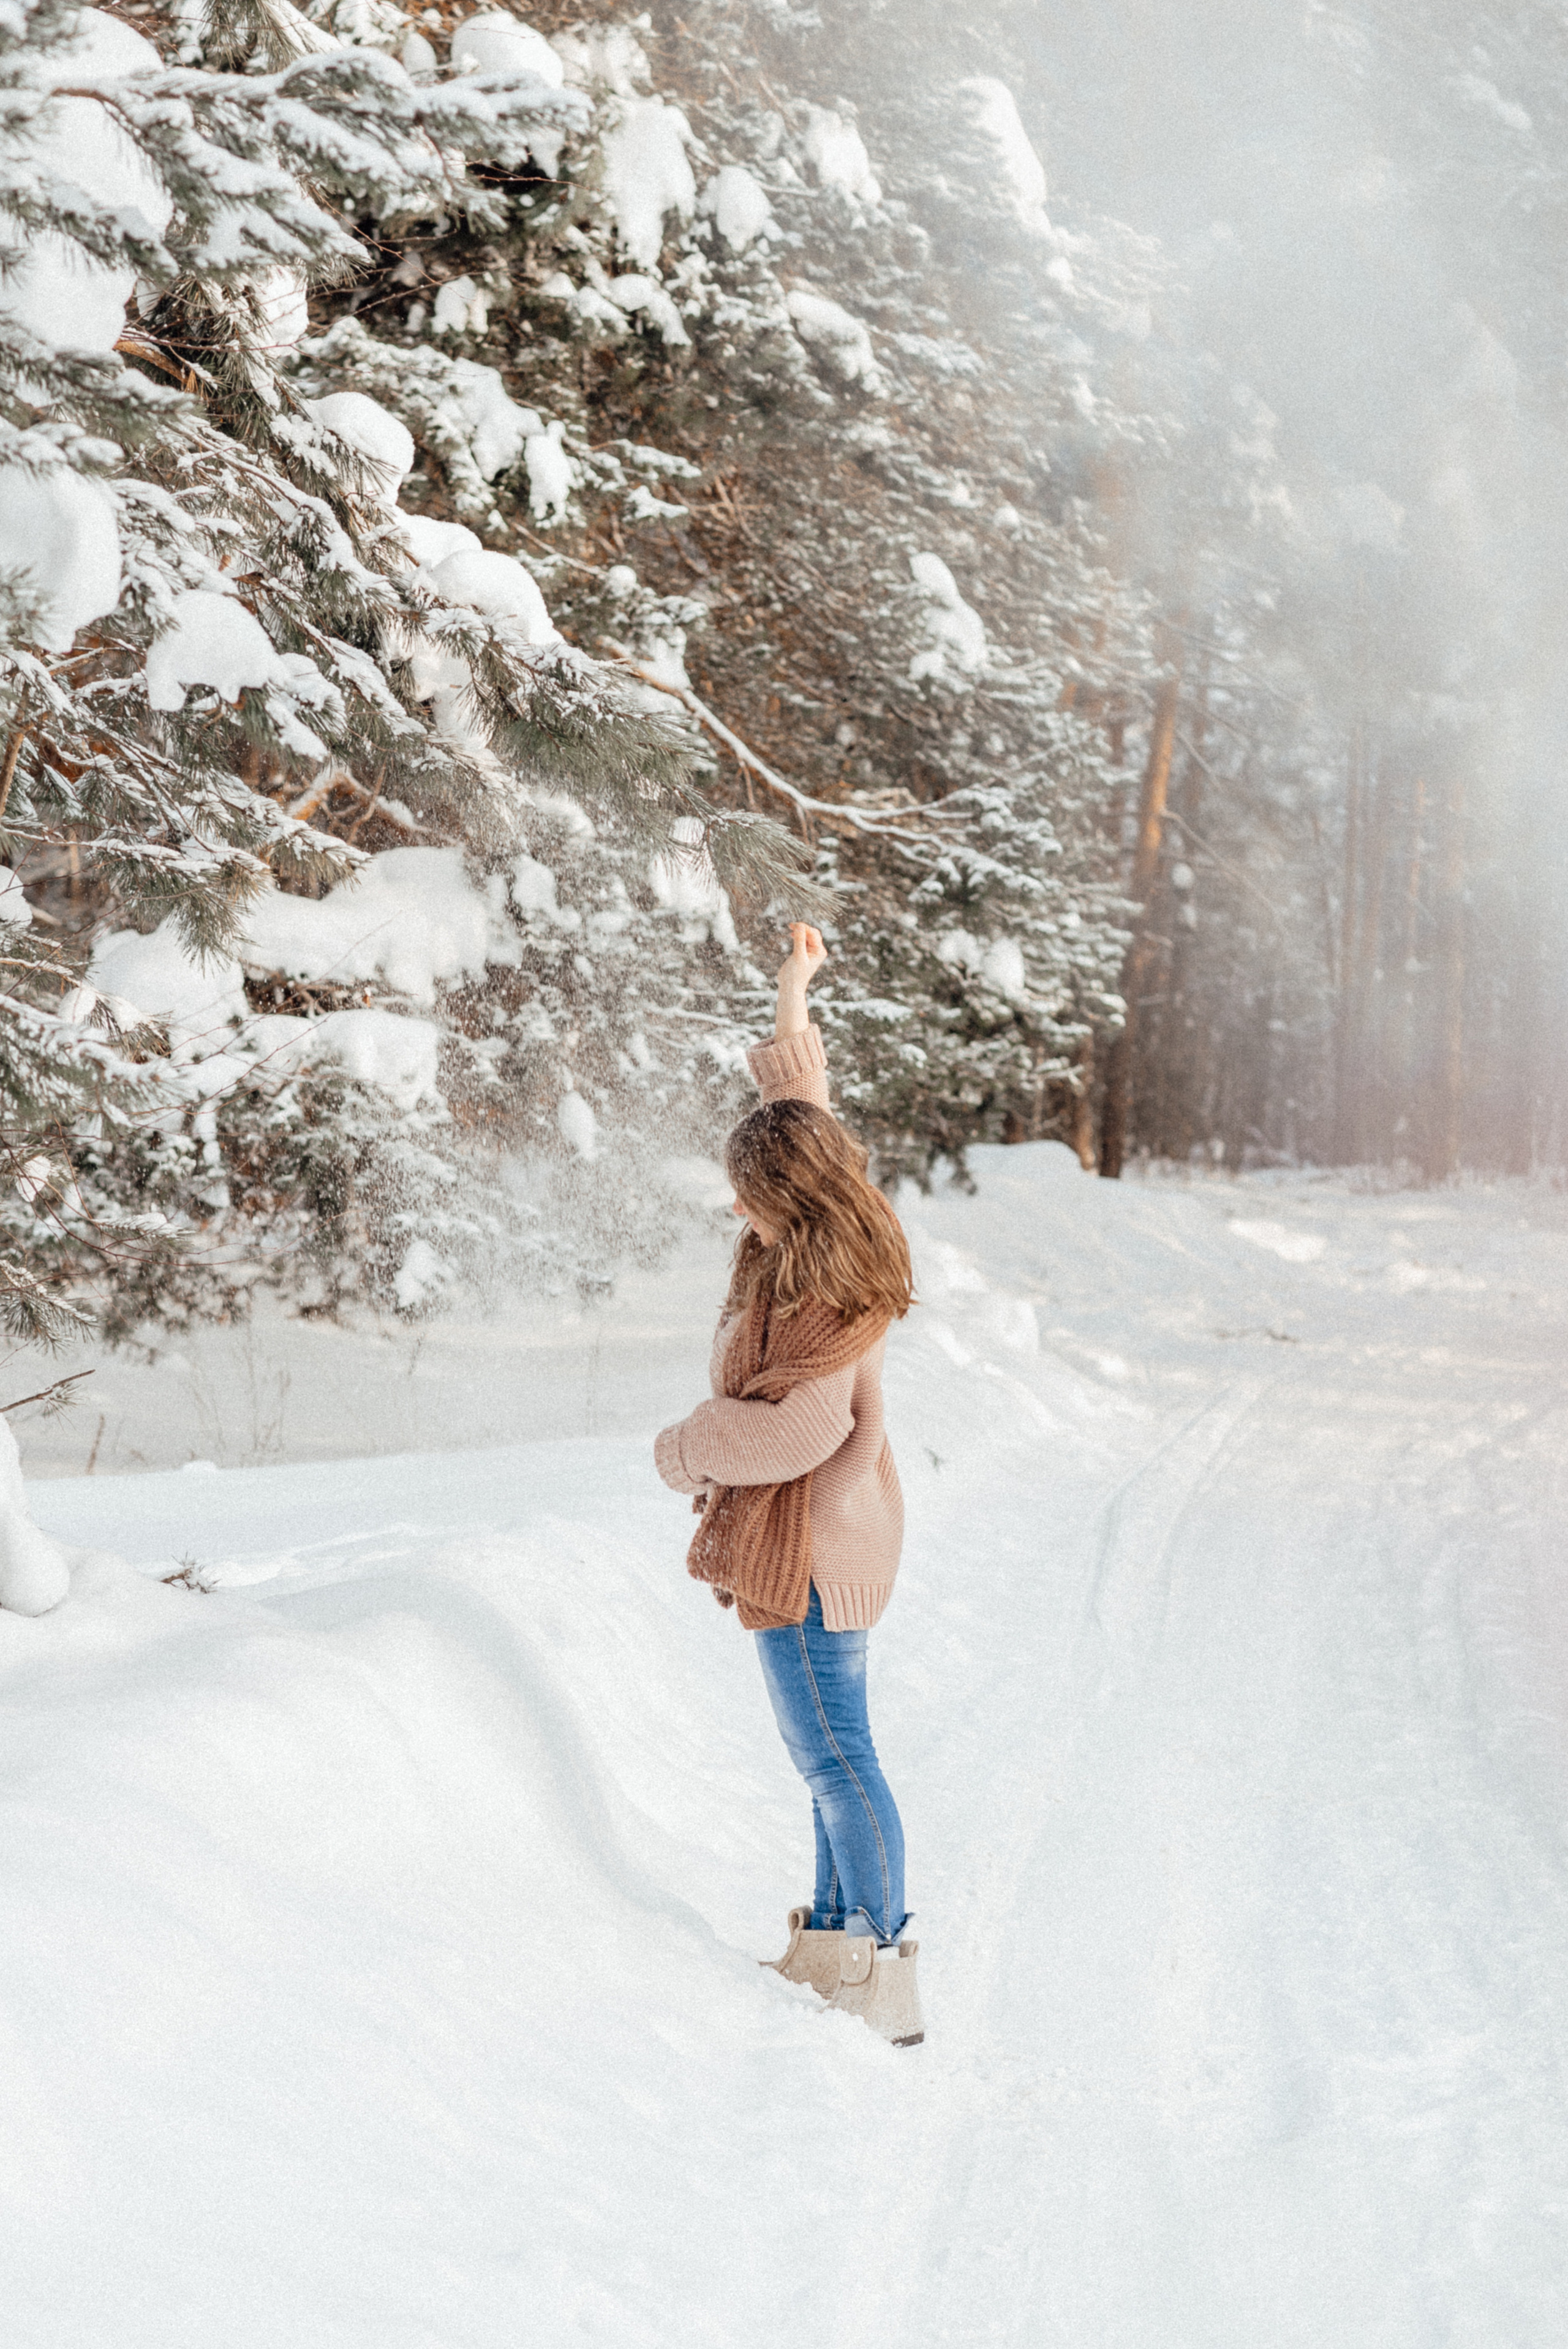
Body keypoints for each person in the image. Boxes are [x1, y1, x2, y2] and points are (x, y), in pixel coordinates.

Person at [654, 923, 923, 2047]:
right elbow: (805, 1107)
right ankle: (835, 1940)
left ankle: (878, 1958)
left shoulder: (821, 1287)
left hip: (814, 1542)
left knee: (834, 1756)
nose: (738, 1212)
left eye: (750, 1194)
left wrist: (689, 1448)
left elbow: (801, 1428)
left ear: (792, 1197)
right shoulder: (830, 1222)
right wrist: (792, 988)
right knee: (831, 1753)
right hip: (836, 1538)